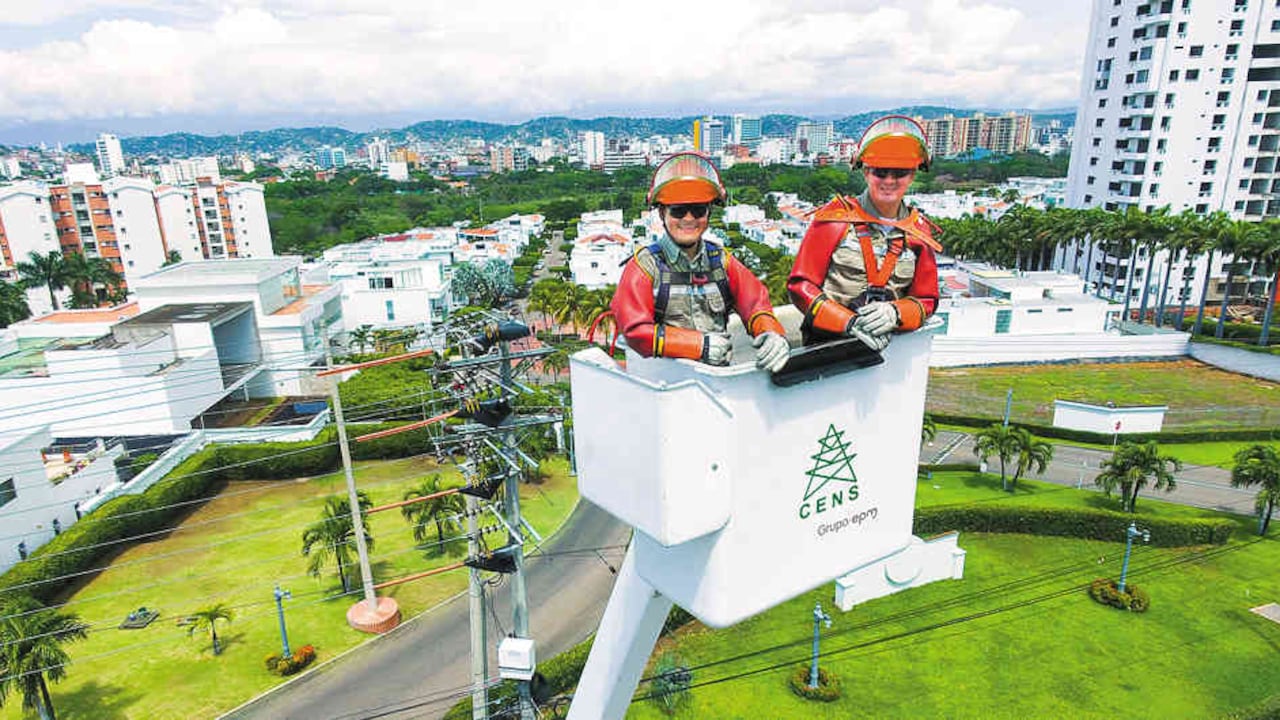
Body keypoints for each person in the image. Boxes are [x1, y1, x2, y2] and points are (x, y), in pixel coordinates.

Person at [611, 152, 790, 372]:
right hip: (664, 382)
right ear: (661, 213)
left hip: (717, 377)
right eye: (678, 211)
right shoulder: (645, 267)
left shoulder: (720, 261)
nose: (688, 219)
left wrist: (770, 333)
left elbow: (755, 304)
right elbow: (635, 331)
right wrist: (698, 345)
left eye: (698, 210)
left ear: (708, 213)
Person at [788, 115, 942, 350]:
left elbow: (927, 299)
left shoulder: (918, 232)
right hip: (827, 344)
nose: (889, 181)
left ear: (913, 175)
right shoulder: (835, 220)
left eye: (899, 173)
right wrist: (847, 322)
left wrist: (895, 313)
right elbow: (801, 286)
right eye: (880, 172)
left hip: (890, 347)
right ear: (865, 172)